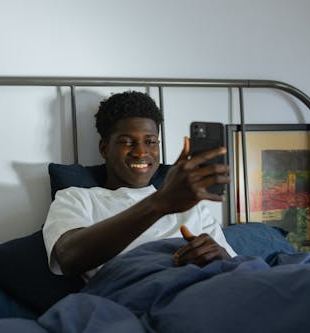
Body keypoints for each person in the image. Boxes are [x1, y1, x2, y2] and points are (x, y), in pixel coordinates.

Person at [43, 91, 237, 280]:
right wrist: (158, 204)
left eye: (151, 141)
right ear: (104, 148)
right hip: (143, 292)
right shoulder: (76, 198)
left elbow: (235, 267)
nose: (141, 152)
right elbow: (68, 258)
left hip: (206, 285)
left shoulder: (188, 202)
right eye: (127, 142)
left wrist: (218, 255)